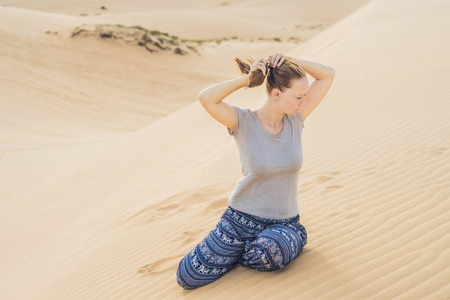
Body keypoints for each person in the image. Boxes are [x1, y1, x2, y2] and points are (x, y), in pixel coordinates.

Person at [176, 53, 335, 289]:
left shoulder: (296, 119)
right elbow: (206, 98)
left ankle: (242, 254)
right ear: (277, 93)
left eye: (304, 97)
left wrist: (289, 61)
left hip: (284, 224)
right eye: (299, 97)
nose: (304, 101)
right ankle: (236, 251)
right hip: (239, 220)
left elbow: (327, 75)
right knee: (188, 277)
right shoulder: (242, 121)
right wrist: (246, 81)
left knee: (272, 251)